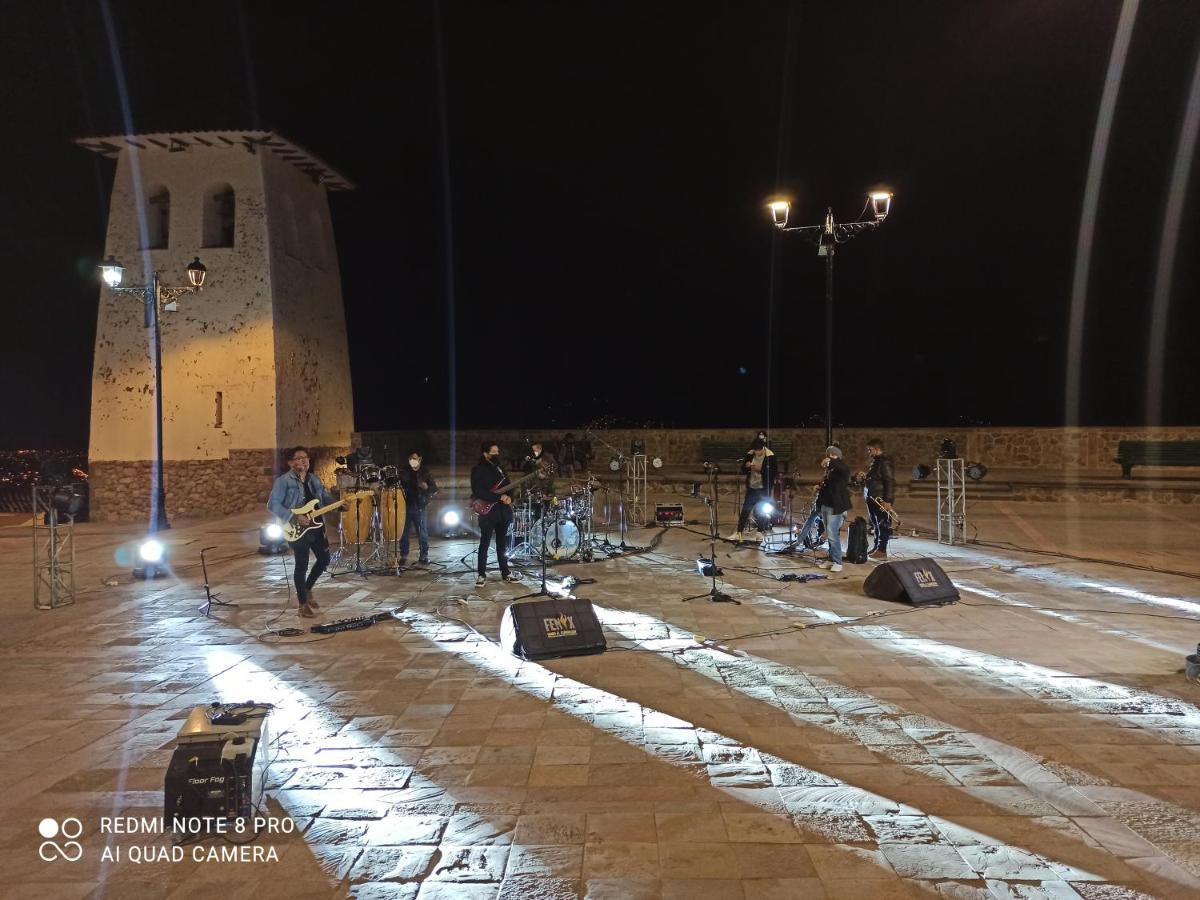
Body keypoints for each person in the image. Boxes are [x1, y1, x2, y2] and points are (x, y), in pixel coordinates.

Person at [267, 446, 334, 618]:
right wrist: (294, 517)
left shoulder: (314, 479)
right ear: (291, 462)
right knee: (301, 565)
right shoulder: (283, 481)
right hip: (296, 528)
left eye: (306, 457)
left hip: (316, 526)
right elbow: (273, 504)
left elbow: (325, 499)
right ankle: (302, 604)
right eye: (299, 458)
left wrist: (341, 505)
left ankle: (307, 588)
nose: (304, 460)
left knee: (325, 559)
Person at [471, 441, 521, 586]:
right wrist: (498, 497)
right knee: (484, 543)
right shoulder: (478, 470)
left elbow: (509, 485)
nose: (496, 454)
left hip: (503, 511)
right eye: (493, 452)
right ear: (485, 453)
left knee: (502, 544)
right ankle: (481, 574)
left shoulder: (501, 469)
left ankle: (505, 572)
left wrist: (510, 497)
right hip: (488, 512)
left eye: (497, 451)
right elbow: (478, 491)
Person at [727, 432, 777, 542]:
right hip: (752, 486)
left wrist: (760, 469)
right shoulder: (750, 453)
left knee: (761, 510)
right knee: (746, 509)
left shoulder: (770, 456)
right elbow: (743, 469)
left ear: (763, 448)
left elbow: (773, 473)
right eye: (755, 451)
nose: (757, 453)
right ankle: (739, 532)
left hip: (763, 488)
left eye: (758, 451)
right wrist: (747, 467)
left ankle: (760, 532)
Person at [398, 450, 438, 566]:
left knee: (422, 532)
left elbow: (434, 488)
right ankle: (404, 555)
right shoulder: (404, 471)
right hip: (406, 506)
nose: (412, 460)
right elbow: (401, 483)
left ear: (420, 459)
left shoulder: (425, 471)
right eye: (410, 458)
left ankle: (424, 555)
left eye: (414, 458)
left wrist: (426, 487)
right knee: (404, 533)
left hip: (420, 505)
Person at [815, 445, 851, 573]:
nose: (830, 457)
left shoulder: (842, 468)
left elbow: (843, 468)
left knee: (832, 533)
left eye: (833, 455)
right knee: (829, 532)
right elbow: (828, 486)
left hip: (836, 506)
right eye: (828, 455)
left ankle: (838, 561)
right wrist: (820, 487)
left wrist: (833, 461)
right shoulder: (829, 470)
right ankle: (831, 559)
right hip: (826, 504)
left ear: (838, 457)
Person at [864, 438, 896, 560]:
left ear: (877, 449)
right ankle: (877, 547)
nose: (868, 452)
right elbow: (875, 478)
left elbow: (890, 481)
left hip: (880, 498)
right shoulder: (876, 461)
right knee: (876, 524)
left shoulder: (884, 462)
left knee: (882, 524)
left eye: (870, 449)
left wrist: (888, 500)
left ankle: (882, 551)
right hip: (873, 497)